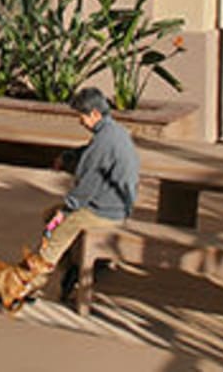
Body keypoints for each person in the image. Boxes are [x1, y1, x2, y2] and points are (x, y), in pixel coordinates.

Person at [26, 86, 140, 300]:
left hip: (103, 212)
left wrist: (67, 210)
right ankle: (74, 268)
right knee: (49, 215)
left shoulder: (104, 142)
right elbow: (89, 154)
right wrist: (68, 156)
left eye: (81, 116)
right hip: (114, 207)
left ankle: (27, 287)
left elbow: (89, 184)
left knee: (53, 236)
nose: (80, 121)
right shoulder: (113, 132)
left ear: (95, 114)